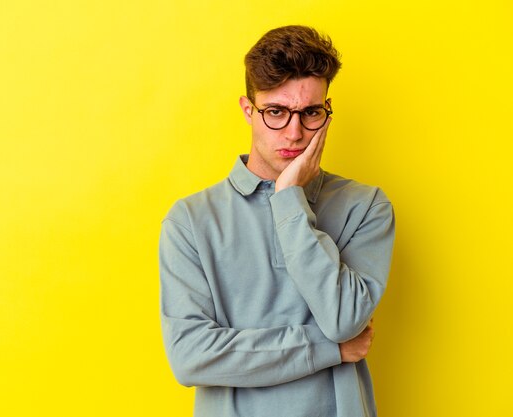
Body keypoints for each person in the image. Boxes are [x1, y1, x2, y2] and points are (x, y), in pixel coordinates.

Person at [159, 25, 395, 417]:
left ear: (326, 111)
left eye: (311, 113)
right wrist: (328, 350)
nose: (295, 132)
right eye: (276, 112)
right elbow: (190, 358)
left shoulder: (365, 207)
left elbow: (342, 320)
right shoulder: (191, 221)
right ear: (248, 109)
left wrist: (288, 200)